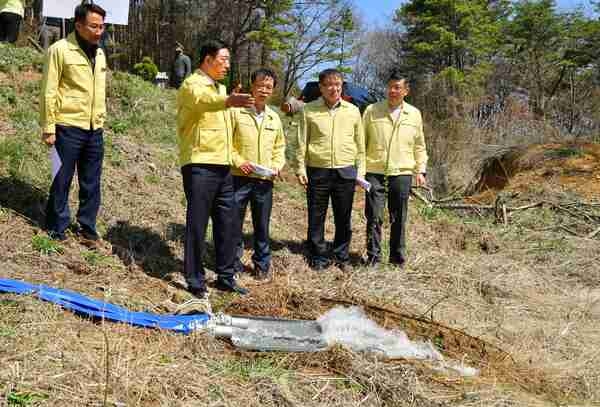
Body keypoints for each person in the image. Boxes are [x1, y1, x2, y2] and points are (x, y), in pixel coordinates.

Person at [177, 39, 255, 297]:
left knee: (227, 223)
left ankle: (225, 276)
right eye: (223, 60)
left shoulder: (221, 92)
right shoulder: (192, 84)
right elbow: (203, 101)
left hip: (223, 167)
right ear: (208, 60)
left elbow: (227, 134)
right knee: (197, 223)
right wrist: (229, 100)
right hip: (199, 164)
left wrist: (235, 160)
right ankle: (195, 279)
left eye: (228, 60)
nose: (227, 65)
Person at [40, 3, 108, 245]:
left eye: (102, 26)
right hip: (66, 127)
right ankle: (56, 226)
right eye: (94, 26)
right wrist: (48, 127)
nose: (99, 31)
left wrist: (101, 119)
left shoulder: (100, 53)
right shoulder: (60, 50)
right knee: (61, 178)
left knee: (91, 182)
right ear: (78, 25)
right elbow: (49, 90)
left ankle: (87, 227)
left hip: (94, 129)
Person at [296, 68, 365, 271]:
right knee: (316, 214)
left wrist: (360, 172)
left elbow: (360, 144)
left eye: (337, 84)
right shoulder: (309, 110)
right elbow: (301, 142)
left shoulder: (352, 111)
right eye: (328, 84)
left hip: (345, 170)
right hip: (318, 170)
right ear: (321, 87)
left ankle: (341, 255)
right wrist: (300, 168)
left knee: (343, 216)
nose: (333, 88)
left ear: (342, 86)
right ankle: (318, 255)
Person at [362, 70, 428, 268]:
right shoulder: (372, 110)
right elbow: (361, 143)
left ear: (406, 91)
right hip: (375, 170)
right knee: (374, 215)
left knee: (398, 217)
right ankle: (373, 257)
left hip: (402, 172)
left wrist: (421, 170)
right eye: (390, 87)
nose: (392, 91)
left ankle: (396, 258)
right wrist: (360, 171)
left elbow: (419, 145)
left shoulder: (414, 114)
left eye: (397, 87)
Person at [230, 68, 286, 280]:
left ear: (273, 90)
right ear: (252, 86)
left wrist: (278, 165)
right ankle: (233, 264)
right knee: (234, 223)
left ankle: (262, 265)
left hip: (264, 180)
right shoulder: (237, 112)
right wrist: (239, 161)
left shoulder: (274, 118)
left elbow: (280, 147)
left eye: (268, 87)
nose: (264, 90)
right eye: (260, 85)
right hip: (239, 178)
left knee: (262, 225)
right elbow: (226, 142)